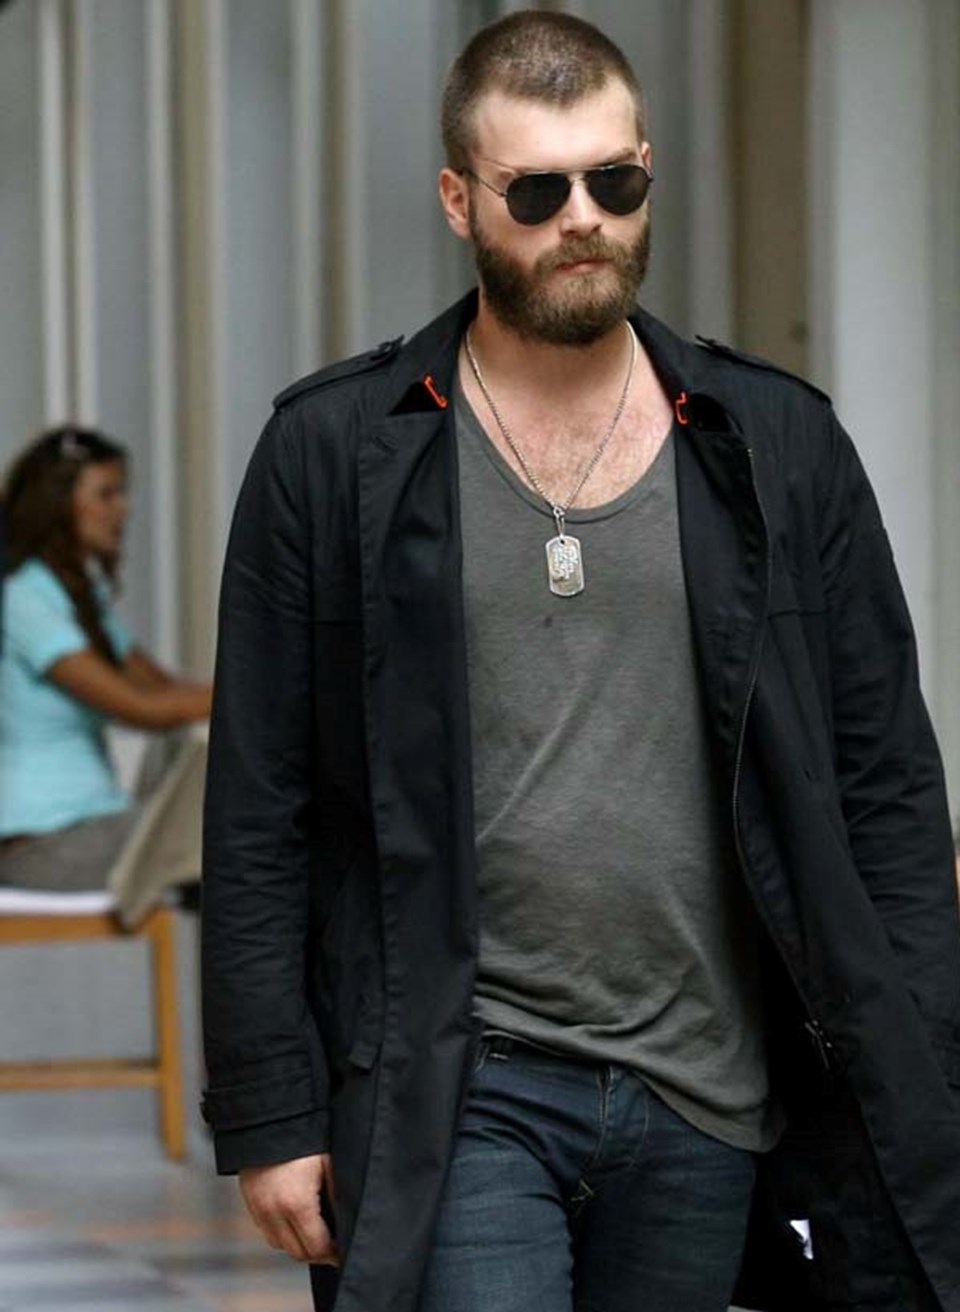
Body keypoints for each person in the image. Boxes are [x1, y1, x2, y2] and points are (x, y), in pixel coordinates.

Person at [201, 12, 960, 1312]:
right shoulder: (335, 455)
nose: (583, 220)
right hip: (460, 1084)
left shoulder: (777, 444)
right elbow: (261, 806)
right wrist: (271, 1109)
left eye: (613, 181)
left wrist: (923, 1062)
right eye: (537, 191)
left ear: (646, 171)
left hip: (707, 1089)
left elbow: (886, 783)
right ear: (460, 199)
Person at [0, 426, 211, 905]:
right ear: (58, 503)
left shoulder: (80, 596)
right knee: (238, 826)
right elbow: (140, 708)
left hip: (93, 824)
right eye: (106, 494)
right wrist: (270, 696)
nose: (124, 508)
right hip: (41, 844)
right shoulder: (24, 599)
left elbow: (164, 689)